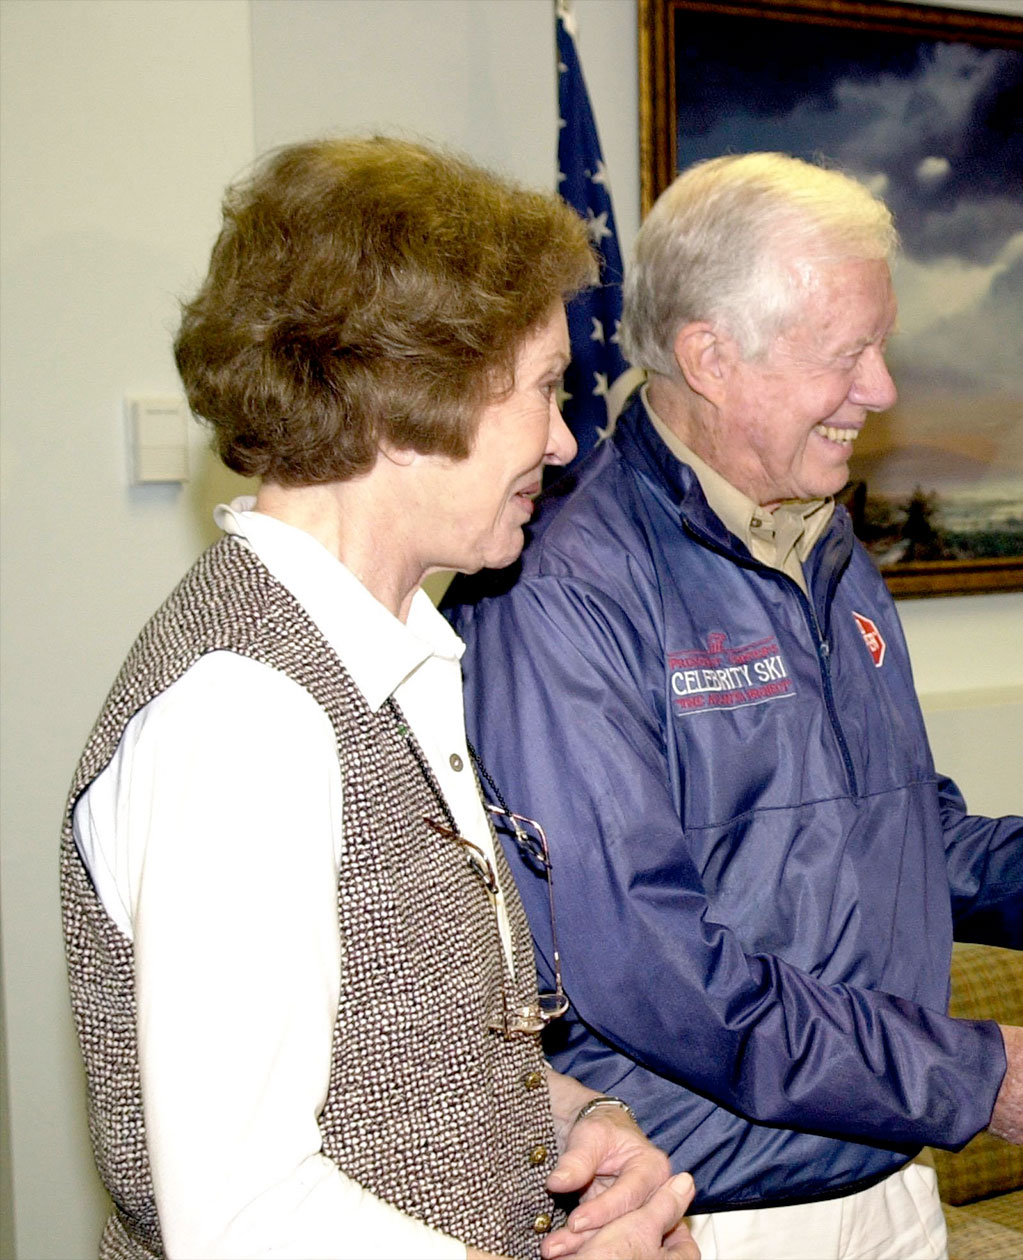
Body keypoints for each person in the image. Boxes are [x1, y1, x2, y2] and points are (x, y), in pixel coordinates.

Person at [445, 152, 1023, 1259]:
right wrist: (970, 1078)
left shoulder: (824, 547)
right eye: (850, 353)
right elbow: (651, 972)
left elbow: (896, 834)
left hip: (883, 1187)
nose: (881, 390)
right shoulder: (562, 588)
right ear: (710, 357)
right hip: (699, 1218)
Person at [61, 137, 699, 1260]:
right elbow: (245, 1217)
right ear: (410, 402)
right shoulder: (245, 714)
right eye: (546, 388)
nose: (562, 440)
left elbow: (401, 1074)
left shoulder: (385, 658)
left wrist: (585, 1126)